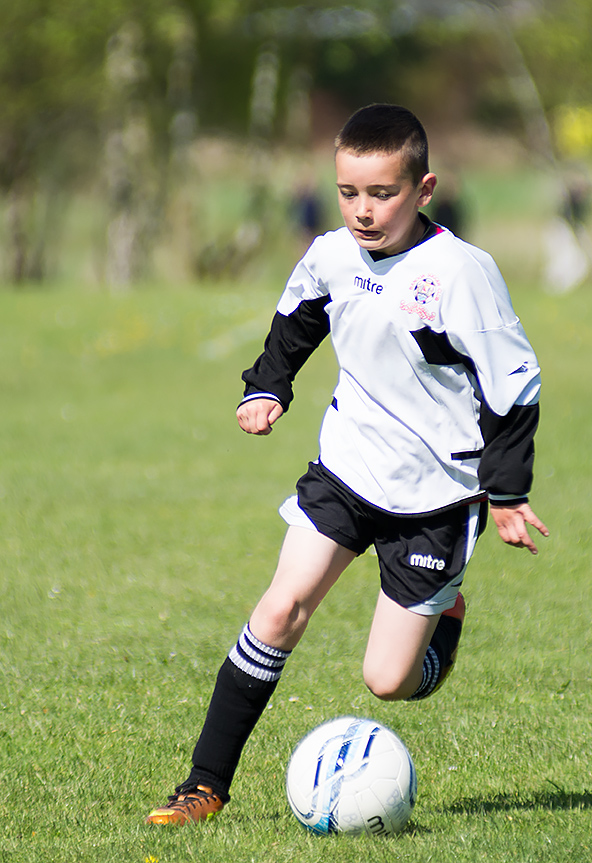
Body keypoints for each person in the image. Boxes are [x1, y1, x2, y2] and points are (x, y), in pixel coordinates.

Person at [145, 104, 548, 825]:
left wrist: (508, 492)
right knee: (279, 608)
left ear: (424, 190)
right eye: (349, 192)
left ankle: (443, 620)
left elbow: (514, 384)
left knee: (388, 680)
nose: (364, 211)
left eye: (383, 194)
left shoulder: (461, 273)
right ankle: (203, 784)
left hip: (436, 500)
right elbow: (298, 315)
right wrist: (267, 385)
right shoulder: (332, 254)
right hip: (346, 471)